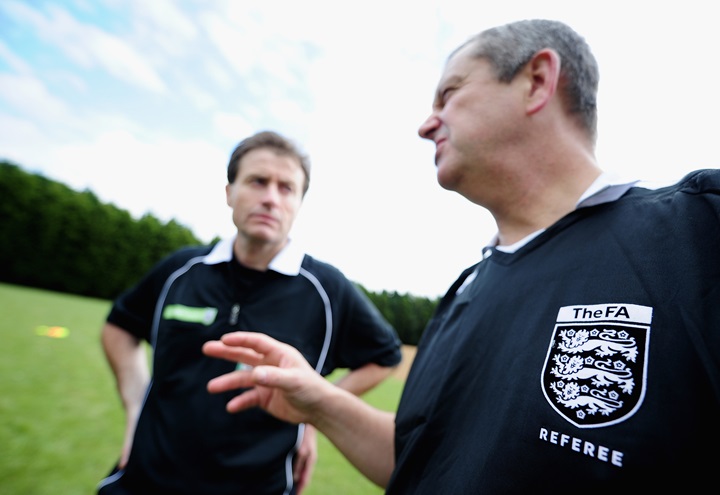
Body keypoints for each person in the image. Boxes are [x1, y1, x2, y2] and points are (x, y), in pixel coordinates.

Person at [201, 19, 720, 493]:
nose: (426, 125)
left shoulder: (697, 233)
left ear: (537, 81)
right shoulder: (465, 292)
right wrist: (319, 401)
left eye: (448, 94)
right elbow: (419, 462)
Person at [96, 130, 403, 495]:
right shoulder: (181, 269)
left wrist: (315, 414)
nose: (271, 198)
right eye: (258, 181)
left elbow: (385, 357)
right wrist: (134, 406)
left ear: (299, 203)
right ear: (229, 192)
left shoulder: (327, 290)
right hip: (144, 480)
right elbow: (119, 326)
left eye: (286, 188)